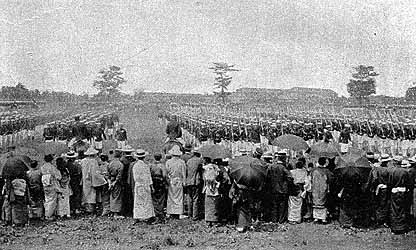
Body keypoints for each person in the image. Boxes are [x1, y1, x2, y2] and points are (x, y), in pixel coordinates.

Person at [264, 151, 292, 223]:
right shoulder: (283, 168)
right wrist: (286, 183)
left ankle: (274, 220)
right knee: (282, 206)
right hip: (282, 190)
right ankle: (281, 220)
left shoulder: (271, 167)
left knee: (274, 206)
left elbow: (266, 177)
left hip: (273, 189)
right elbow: (290, 178)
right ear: (283, 159)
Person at [367, 154, 391, 227]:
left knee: (378, 203)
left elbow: (375, 179)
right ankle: (383, 219)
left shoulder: (377, 169)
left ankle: (378, 219)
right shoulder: (389, 170)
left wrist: (375, 187)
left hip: (378, 188)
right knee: (385, 204)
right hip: (386, 188)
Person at [388, 159, 412, 234]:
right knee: (403, 209)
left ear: (395, 163)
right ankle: (403, 227)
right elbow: (408, 182)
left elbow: (390, 182)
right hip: (403, 191)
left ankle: (395, 227)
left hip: (394, 191)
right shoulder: (405, 171)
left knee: (394, 209)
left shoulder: (392, 171)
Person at [132, 149, 155, 224]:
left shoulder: (135, 166)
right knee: (146, 201)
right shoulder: (146, 166)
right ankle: (147, 216)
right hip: (145, 185)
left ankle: (137, 216)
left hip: (138, 185)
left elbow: (135, 178)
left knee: (138, 201)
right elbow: (149, 177)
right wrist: (151, 186)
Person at [165, 145, 186, 219]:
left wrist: (168, 180)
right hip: (179, 180)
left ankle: (171, 211)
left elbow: (166, 172)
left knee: (171, 197)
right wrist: (184, 182)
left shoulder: (168, 162)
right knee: (179, 197)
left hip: (171, 180)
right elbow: (184, 173)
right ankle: (178, 212)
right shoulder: (182, 162)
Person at [311, 157, 333, 224]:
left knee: (315, 202)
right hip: (324, 188)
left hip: (315, 188)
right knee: (323, 203)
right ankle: (323, 218)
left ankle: (316, 218)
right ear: (325, 163)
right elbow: (331, 179)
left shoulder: (313, 170)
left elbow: (310, 179)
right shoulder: (327, 171)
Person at [41, 154, 62, 221]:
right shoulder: (52, 167)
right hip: (51, 184)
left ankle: (46, 213)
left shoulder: (42, 167)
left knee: (47, 200)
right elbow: (59, 177)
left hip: (44, 185)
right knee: (52, 200)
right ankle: (48, 215)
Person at [185, 148, 203, 220]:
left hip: (189, 181)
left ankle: (189, 214)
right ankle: (195, 215)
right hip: (196, 181)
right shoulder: (199, 161)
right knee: (195, 199)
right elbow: (201, 171)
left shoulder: (189, 161)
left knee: (189, 198)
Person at [149, 153, 168, 223]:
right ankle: (160, 214)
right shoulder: (162, 166)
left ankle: (156, 214)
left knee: (154, 199)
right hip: (160, 183)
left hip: (154, 182)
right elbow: (164, 175)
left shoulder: (151, 165)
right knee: (161, 199)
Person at [202, 157, 221, 226]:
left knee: (208, 204)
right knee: (214, 205)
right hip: (215, 187)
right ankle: (214, 220)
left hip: (208, 187)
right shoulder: (216, 168)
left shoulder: (205, 168)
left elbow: (204, 178)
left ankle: (208, 220)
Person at [80, 148, 99, 214]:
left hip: (84, 179)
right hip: (91, 179)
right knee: (92, 193)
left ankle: (86, 208)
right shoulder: (94, 161)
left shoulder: (83, 161)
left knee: (86, 193)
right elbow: (95, 172)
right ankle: (91, 209)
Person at [108, 150, 124, 218]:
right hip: (116, 182)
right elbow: (119, 176)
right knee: (117, 197)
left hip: (111, 181)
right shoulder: (120, 164)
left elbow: (107, 174)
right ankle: (116, 213)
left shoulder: (110, 163)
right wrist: (114, 183)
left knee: (112, 196)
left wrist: (110, 183)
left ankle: (112, 211)